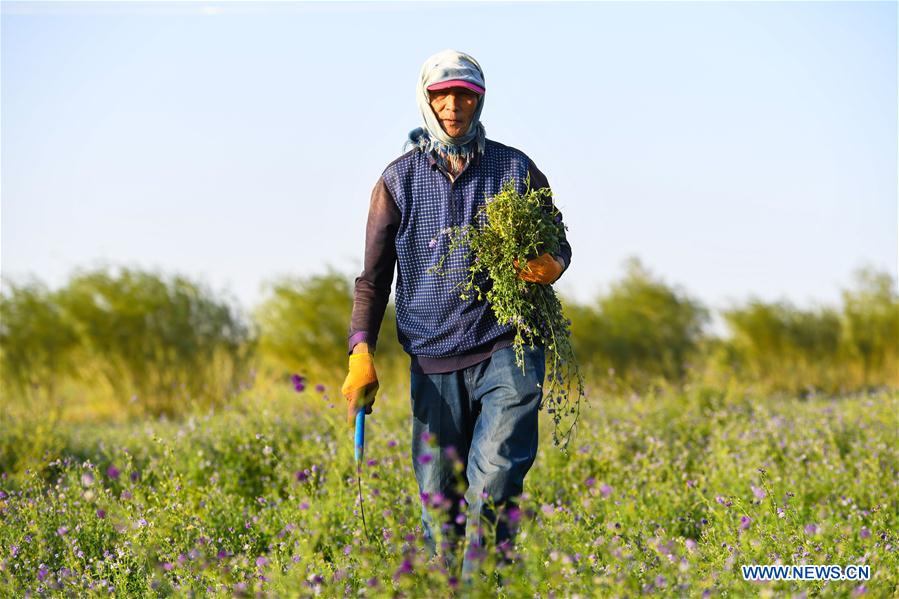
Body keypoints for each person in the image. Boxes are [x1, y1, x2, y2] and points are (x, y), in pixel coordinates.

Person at [340, 49, 572, 583]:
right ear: (427, 100)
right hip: (432, 360)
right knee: (440, 502)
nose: (453, 106)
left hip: (507, 348)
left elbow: (558, 240)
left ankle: (481, 590)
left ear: (479, 100)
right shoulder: (397, 181)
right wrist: (361, 352)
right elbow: (373, 281)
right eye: (442, 95)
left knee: (494, 484)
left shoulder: (514, 169)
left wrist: (551, 263)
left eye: (464, 95)